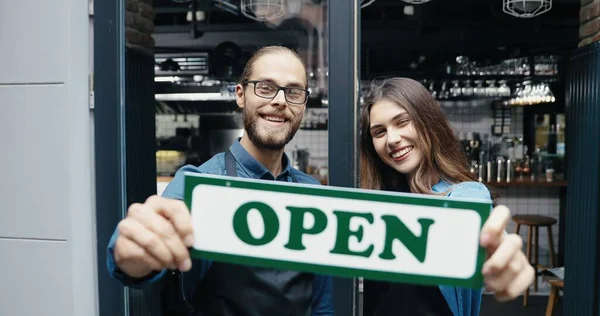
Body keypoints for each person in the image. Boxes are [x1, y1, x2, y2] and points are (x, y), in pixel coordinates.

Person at [106, 45, 334, 316]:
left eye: (293, 92)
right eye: (265, 87)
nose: (280, 101)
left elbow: (323, 303)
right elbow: (138, 256)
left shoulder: (314, 194)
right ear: (240, 95)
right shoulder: (200, 186)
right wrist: (134, 254)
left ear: (303, 104)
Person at [358, 77, 534, 316]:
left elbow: (472, 221)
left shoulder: (464, 194)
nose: (392, 139)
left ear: (427, 122)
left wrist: (501, 257)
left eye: (402, 122)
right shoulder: (379, 202)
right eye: (379, 132)